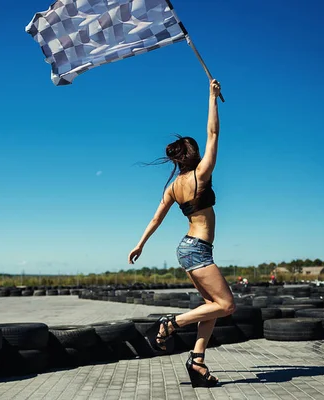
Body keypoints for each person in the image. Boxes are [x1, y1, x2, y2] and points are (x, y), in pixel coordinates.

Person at [128, 79, 234, 388]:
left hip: (190, 248)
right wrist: (212, 96)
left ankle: (197, 361)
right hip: (197, 249)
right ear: (194, 154)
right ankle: (170, 323)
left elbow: (156, 218)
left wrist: (139, 245)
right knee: (226, 305)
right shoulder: (202, 174)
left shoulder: (174, 186)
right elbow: (213, 132)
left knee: (209, 307)